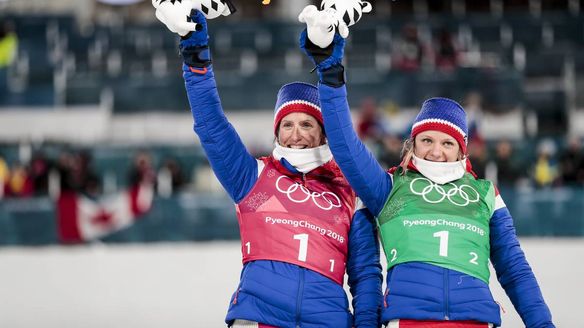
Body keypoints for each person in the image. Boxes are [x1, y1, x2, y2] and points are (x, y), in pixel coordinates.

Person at [299, 22, 555, 327]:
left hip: (474, 321)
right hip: (408, 321)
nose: (436, 151)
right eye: (427, 141)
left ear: (462, 151)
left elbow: (515, 271)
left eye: (447, 143)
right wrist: (331, 74)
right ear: (413, 145)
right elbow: (345, 145)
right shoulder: (388, 187)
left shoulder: (486, 193)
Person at [155, 7, 382, 328]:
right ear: (276, 132)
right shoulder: (254, 177)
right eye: (287, 124)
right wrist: (196, 61)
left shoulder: (349, 193)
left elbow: (366, 276)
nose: (297, 133)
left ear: (323, 132)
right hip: (258, 317)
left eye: (307, 123)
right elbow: (211, 128)